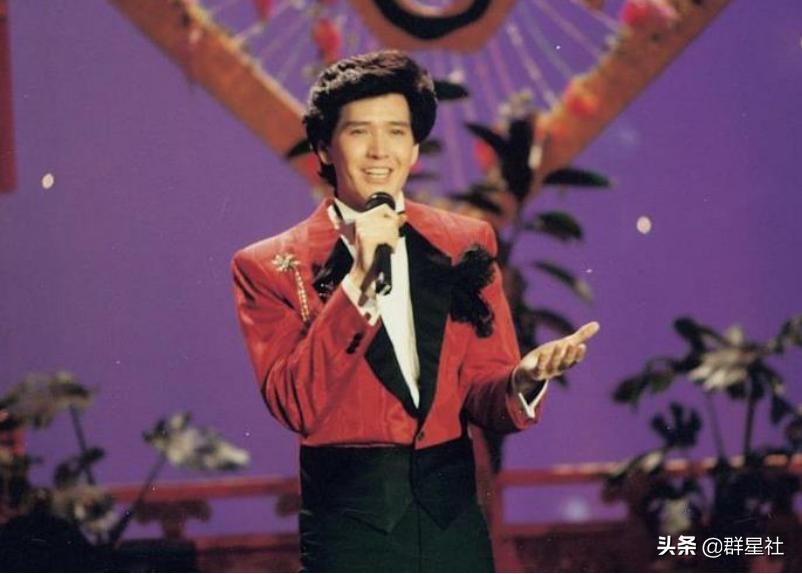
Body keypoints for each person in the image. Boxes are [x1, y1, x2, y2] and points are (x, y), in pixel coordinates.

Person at [232, 49, 600, 572]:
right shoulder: (269, 266)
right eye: (359, 132)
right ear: (324, 147)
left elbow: (482, 389)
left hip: (454, 526)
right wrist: (359, 280)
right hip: (353, 534)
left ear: (414, 148)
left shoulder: (464, 241)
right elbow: (297, 404)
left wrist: (522, 379)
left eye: (397, 132)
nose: (380, 150)